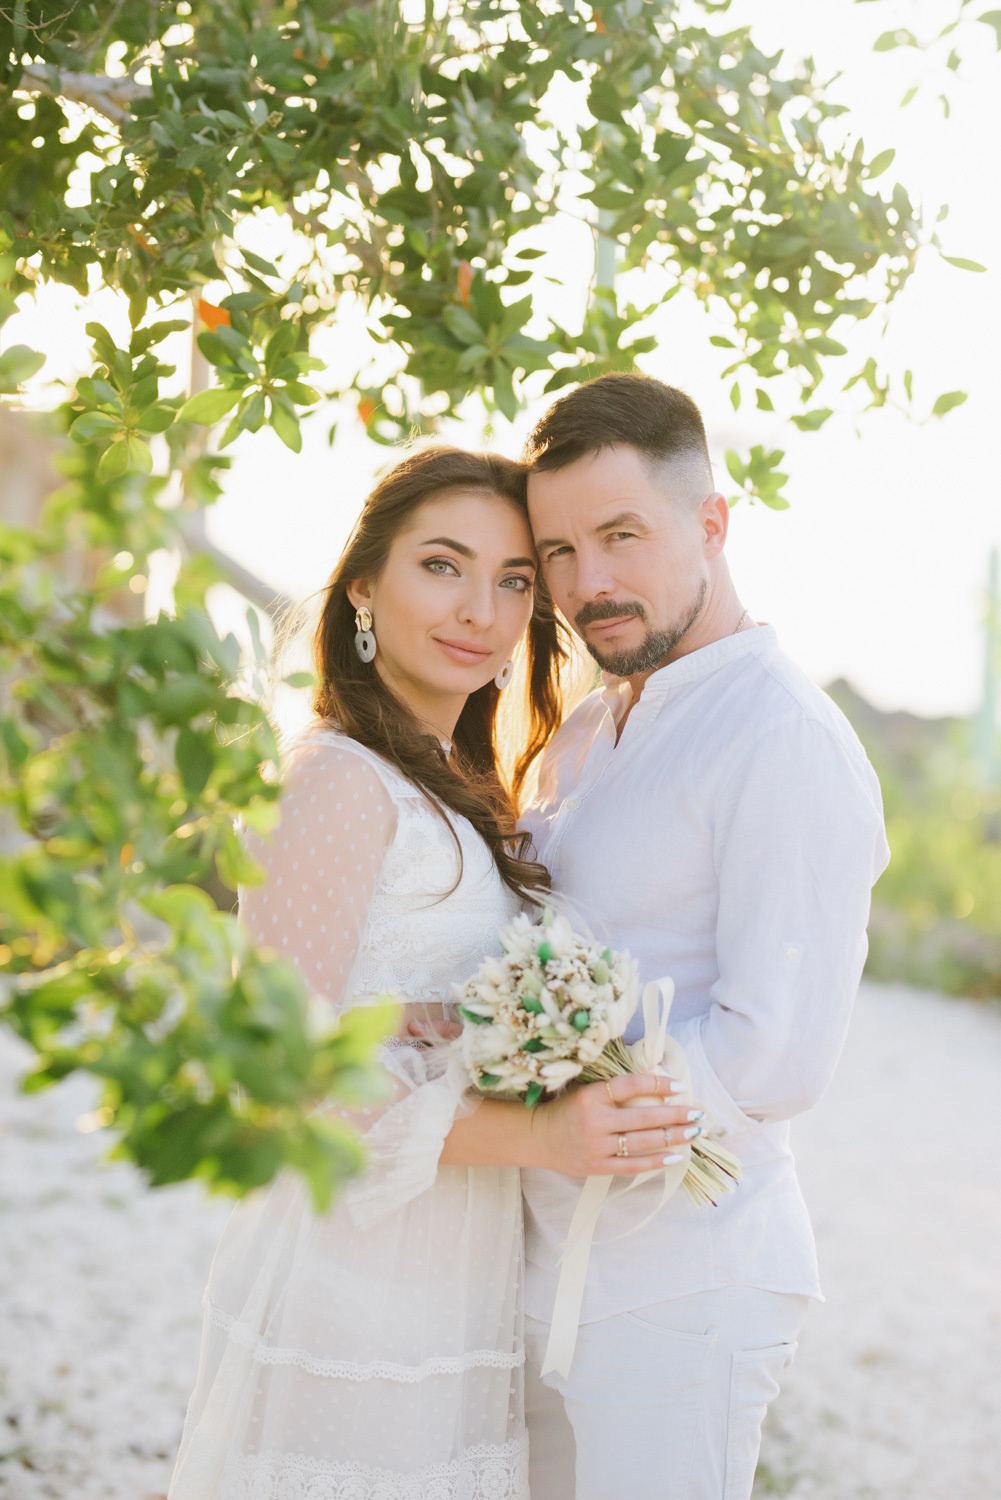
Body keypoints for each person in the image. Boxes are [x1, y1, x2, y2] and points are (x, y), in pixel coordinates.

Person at [170, 442, 699, 1500]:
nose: (479, 611)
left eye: (512, 581)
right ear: (363, 584)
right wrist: (540, 1134)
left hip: (446, 1266)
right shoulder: (332, 780)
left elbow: (391, 1010)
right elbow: (276, 1082)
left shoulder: (462, 793)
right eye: (441, 566)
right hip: (350, 1275)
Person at [514, 373, 890, 1500]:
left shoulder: (782, 739)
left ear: (711, 524)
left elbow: (773, 1053)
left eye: (620, 535)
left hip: (683, 1281)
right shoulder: (579, 733)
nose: (590, 583)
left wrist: (579, 1113)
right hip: (537, 1260)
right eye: (560, 552)